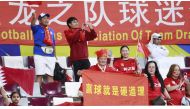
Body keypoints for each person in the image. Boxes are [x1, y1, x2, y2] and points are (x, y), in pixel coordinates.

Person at [64, 17, 97, 82]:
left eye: (77, 21)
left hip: (85, 58)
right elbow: (73, 38)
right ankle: (76, 91)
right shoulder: (67, 32)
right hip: (75, 59)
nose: (76, 23)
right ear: (69, 24)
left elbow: (93, 36)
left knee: (87, 78)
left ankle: (86, 91)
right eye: (74, 22)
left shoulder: (82, 31)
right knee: (76, 78)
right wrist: (80, 30)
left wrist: (91, 27)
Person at [31, 12, 56, 85]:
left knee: (50, 75)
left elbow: (53, 43)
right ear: (39, 20)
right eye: (44, 18)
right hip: (39, 53)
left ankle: (51, 93)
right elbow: (32, 24)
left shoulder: (51, 30)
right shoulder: (36, 28)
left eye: (47, 18)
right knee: (39, 74)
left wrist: (55, 54)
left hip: (50, 54)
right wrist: (34, 18)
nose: (46, 20)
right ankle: (37, 93)